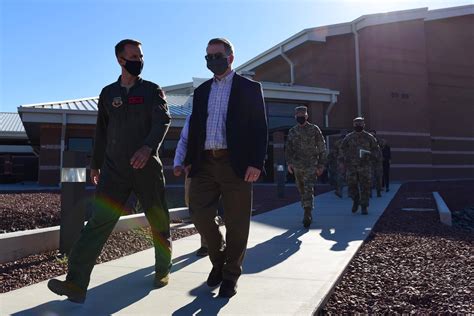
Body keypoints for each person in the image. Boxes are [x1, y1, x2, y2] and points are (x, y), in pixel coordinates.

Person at [47, 39, 172, 303]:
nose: (139, 59)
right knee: (97, 224)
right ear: (120, 60)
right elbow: (101, 131)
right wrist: (96, 163)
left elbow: (163, 121)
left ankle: (163, 268)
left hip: (146, 167)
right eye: (134, 56)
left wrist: (148, 147)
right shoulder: (108, 93)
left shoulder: (152, 90)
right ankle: (76, 284)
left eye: (141, 55)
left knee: (158, 218)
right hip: (115, 170)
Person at [184, 38, 268, 298]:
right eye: (208, 57)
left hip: (237, 164)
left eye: (217, 55)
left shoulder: (250, 88)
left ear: (230, 57)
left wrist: (256, 162)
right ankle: (218, 260)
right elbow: (196, 128)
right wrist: (188, 159)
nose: (212, 61)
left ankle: (230, 275)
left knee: (237, 222)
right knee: (199, 214)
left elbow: (259, 127)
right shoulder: (201, 91)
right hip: (205, 163)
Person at [285, 106, 327, 228]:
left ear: (307, 116)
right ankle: (306, 207)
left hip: (311, 165)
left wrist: (321, 165)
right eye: (298, 116)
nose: (300, 117)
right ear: (295, 117)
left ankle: (307, 213)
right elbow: (289, 149)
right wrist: (289, 163)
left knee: (308, 188)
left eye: (302, 115)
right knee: (301, 189)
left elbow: (322, 148)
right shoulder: (292, 131)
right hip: (297, 166)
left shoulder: (314, 129)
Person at [173, 115, 208, 257]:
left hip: (212, 169)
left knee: (206, 207)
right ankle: (214, 232)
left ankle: (207, 243)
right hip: (192, 169)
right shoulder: (192, 118)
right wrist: (177, 163)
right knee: (191, 205)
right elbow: (184, 141)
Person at [339, 117, 380, 215]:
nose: (358, 126)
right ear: (353, 125)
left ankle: (364, 206)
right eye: (356, 124)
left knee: (365, 186)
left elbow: (376, 149)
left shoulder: (369, 137)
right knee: (351, 185)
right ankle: (356, 200)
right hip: (351, 166)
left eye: (360, 124)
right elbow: (342, 149)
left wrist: (371, 157)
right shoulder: (349, 137)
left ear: (364, 125)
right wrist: (343, 160)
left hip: (365, 166)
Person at [332, 131, 347, 198]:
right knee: (349, 176)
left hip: (341, 160)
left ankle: (339, 191)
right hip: (348, 160)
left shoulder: (338, 142)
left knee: (340, 176)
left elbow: (334, 152)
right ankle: (350, 192)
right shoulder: (350, 141)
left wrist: (337, 157)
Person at [369, 129, 383, 197]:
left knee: (378, 177)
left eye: (373, 134)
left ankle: (378, 192)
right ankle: (370, 193)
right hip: (370, 162)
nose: (372, 136)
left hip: (378, 163)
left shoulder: (378, 141)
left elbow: (383, 144)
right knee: (370, 178)